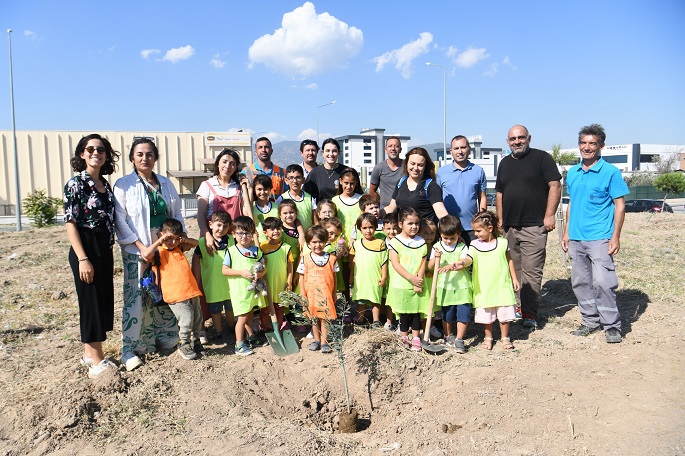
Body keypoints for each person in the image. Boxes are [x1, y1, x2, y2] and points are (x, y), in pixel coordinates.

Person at [114, 137, 183, 371]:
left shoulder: (166, 183)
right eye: (140, 154)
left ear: (156, 157)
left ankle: (164, 336)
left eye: (149, 154)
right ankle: (131, 346)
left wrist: (177, 240)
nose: (145, 158)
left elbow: (176, 215)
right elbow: (120, 220)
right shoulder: (123, 185)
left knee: (164, 290)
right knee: (137, 295)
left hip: (166, 249)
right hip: (137, 249)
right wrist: (140, 246)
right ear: (132, 157)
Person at [562, 124, 629, 344]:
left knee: (603, 281)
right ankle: (590, 321)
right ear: (578, 144)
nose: (587, 147)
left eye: (592, 143)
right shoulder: (573, 172)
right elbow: (571, 203)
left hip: (600, 237)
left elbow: (619, 205)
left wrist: (615, 236)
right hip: (576, 237)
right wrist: (566, 232)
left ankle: (612, 326)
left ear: (601, 146)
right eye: (583, 143)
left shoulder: (610, 172)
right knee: (580, 282)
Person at [64, 134, 119, 378]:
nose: (96, 152)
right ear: (82, 154)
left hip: (104, 248)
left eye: (101, 149)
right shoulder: (75, 184)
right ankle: (98, 362)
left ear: (106, 155)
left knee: (102, 300)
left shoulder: (106, 186)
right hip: (85, 248)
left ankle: (88, 353)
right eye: (90, 149)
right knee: (91, 303)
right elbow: (70, 223)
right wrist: (83, 259)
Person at [495, 125, 562, 330]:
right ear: (508, 142)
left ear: (529, 138)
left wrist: (549, 215)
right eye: (513, 139)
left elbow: (555, 185)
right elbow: (499, 194)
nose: (517, 142)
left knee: (531, 271)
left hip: (534, 226)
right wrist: (500, 220)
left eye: (521, 138)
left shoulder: (542, 159)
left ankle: (530, 314)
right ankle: (517, 307)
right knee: (513, 271)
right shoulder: (505, 163)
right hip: (510, 227)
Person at [140, 219, 203, 360]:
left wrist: (184, 239)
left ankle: (196, 341)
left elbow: (196, 243)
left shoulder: (179, 248)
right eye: (169, 239)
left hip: (191, 289)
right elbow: (146, 254)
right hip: (174, 294)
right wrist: (160, 240)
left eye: (175, 239)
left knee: (197, 318)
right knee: (186, 319)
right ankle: (184, 344)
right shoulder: (158, 252)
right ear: (162, 235)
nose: (172, 243)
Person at [466, 210, 520, 350]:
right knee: (486, 314)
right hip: (484, 286)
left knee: (504, 313)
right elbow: (468, 259)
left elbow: (509, 261)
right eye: (474, 231)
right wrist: (461, 263)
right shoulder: (474, 244)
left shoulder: (503, 243)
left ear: (490, 229)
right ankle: (488, 337)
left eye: (478, 231)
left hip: (502, 284)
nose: (476, 234)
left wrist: (514, 278)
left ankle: (505, 337)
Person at [222, 216, 268, 356]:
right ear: (234, 234)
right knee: (242, 318)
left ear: (253, 234)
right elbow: (225, 270)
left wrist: (260, 274)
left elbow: (264, 267)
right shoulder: (231, 251)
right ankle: (239, 345)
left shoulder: (256, 251)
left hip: (253, 289)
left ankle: (251, 337)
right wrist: (241, 272)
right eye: (240, 233)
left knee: (249, 315)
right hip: (239, 291)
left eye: (248, 233)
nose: (244, 236)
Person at [428, 215, 472, 354]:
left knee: (463, 313)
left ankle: (459, 339)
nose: (448, 241)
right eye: (445, 238)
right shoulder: (437, 247)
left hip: (461, 286)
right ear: (440, 235)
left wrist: (455, 265)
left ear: (458, 235)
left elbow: (465, 261)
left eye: (452, 238)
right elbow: (430, 266)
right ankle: (448, 335)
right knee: (447, 314)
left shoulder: (462, 247)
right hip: (444, 286)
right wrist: (436, 258)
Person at [387, 207, 428, 352]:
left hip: (417, 283)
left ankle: (416, 337)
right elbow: (395, 263)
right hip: (402, 283)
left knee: (416, 312)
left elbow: (423, 261)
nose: (414, 226)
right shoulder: (395, 242)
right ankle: (404, 337)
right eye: (410, 223)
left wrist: (418, 280)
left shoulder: (421, 242)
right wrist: (411, 278)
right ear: (400, 224)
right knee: (404, 313)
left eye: (417, 223)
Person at [196, 148, 250, 251]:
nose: (227, 166)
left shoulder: (239, 187)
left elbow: (246, 212)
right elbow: (201, 215)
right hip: (213, 238)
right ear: (218, 163)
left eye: (232, 164)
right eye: (224, 162)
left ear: (236, 167)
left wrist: (249, 189)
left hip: (235, 239)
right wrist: (207, 236)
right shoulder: (207, 185)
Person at [436, 135, 487, 244]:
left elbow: (482, 197)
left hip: (472, 228)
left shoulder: (478, 171)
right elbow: (437, 200)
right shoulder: (441, 172)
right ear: (451, 151)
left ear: (469, 149)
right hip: (448, 229)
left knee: (472, 260)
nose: (460, 151)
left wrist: (482, 221)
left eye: (463, 147)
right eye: (456, 148)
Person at [193, 211, 235, 343]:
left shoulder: (233, 241)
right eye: (218, 225)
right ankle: (219, 332)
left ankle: (231, 328)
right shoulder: (203, 242)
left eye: (225, 226)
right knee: (215, 311)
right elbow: (196, 257)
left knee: (230, 308)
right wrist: (196, 274)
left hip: (230, 285)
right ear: (210, 224)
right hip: (212, 285)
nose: (221, 229)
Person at [299, 225, 339, 354]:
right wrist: (302, 294)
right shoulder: (305, 258)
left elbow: (334, 277)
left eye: (321, 241)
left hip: (326, 294)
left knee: (325, 318)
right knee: (314, 318)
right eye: (314, 242)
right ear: (308, 243)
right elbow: (301, 277)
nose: (318, 245)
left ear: (326, 241)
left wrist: (334, 293)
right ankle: (316, 340)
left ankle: (324, 342)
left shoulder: (332, 258)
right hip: (311, 294)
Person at [383, 147, 448, 223]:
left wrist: (450, 228)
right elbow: (391, 208)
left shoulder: (431, 186)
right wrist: (373, 213)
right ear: (406, 163)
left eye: (420, 165)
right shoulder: (401, 182)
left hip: (424, 233)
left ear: (425, 167)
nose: (415, 168)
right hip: (404, 232)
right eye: (412, 164)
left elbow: (441, 212)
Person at [349, 213, 388, 327]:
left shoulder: (380, 243)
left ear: (375, 227)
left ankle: (376, 321)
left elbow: (384, 261)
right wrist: (351, 275)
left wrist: (384, 277)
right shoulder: (357, 244)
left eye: (371, 227)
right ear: (360, 229)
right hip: (361, 278)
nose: (368, 231)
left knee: (375, 300)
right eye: (364, 228)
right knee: (361, 300)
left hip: (375, 277)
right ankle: (361, 321)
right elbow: (353, 262)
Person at [260, 217, 294, 329]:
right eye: (272, 229)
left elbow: (290, 267)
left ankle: (277, 328)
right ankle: (265, 328)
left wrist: (289, 281)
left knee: (279, 308)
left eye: (278, 228)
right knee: (265, 309)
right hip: (266, 283)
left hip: (281, 284)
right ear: (265, 232)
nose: (276, 231)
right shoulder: (261, 247)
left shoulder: (286, 248)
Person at [305, 138, 346, 202]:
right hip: (322, 211)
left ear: (338, 153)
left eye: (334, 151)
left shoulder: (346, 171)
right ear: (322, 153)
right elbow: (306, 197)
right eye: (327, 151)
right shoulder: (315, 173)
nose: (331, 154)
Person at [369, 137, 404, 209]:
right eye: (390, 146)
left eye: (396, 146)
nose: (393, 148)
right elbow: (372, 191)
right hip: (386, 212)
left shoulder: (407, 167)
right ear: (386, 150)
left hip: (404, 210)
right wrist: (382, 202)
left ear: (400, 149)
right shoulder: (379, 168)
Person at [282, 164, 315, 231]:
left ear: (303, 179)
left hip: (308, 237)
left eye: (298, 177)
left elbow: (315, 221)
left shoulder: (310, 198)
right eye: (291, 178)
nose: (295, 181)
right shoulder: (282, 199)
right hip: (288, 238)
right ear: (286, 181)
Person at [251, 174, 282, 244]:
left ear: (270, 189)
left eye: (265, 189)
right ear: (254, 189)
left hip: (274, 246)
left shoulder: (276, 207)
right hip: (256, 246)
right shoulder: (251, 208)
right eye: (259, 189)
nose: (262, 192)